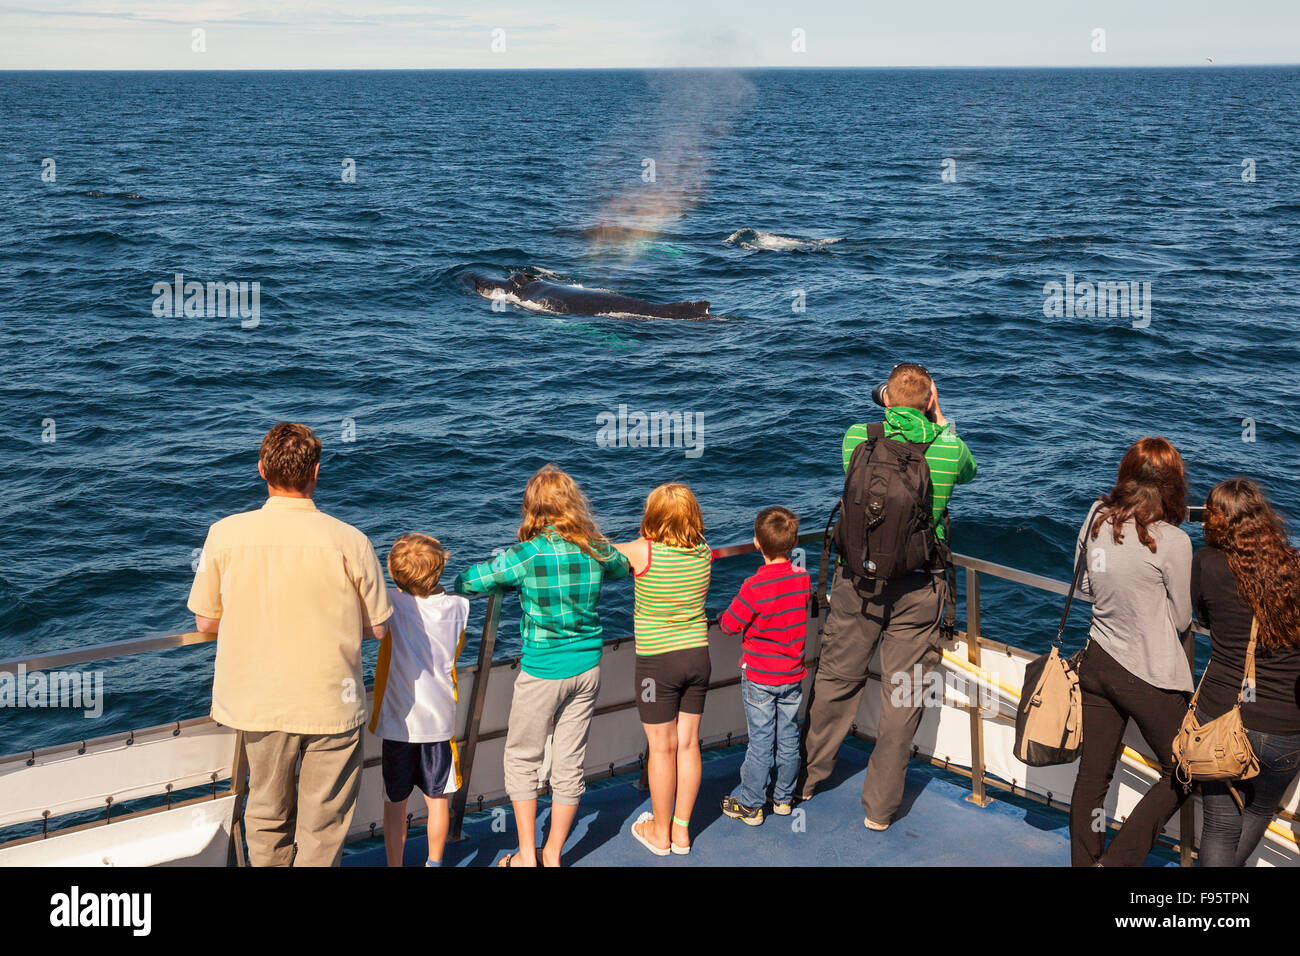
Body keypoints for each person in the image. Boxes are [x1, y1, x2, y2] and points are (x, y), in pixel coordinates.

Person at [187, 422, 393, 867]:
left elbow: (206, 619)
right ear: (316, 472)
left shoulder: (224, 534)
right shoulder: (351, 541)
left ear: (261, 469)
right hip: (331, 702)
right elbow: (377, 628)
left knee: (264, 811)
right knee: (324, 823)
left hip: (258, 701)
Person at [800, 362, 977, 831]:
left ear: (887, 398)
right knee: (904, 697)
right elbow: (970, 472)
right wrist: (939, 419)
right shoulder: (947, 447)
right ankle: (878, 812)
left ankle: (807, 780)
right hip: (919, 587)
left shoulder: (856, 436)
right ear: (930, 399)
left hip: (855, 581)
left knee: (836, 681)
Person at [453, 465, 630, 867]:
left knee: (523, 759)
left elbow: (469, 581)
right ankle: (553, 854)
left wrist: (503, 582)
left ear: (532, 508)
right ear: (572, 504)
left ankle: (527, 855)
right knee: (569, 763)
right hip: (587, 667)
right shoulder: (593, 547)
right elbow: (622, 566)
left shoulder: (527, 554)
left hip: (543, 670)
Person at [1067, 437, 1193, 867]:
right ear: (1174, 485)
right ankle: (1120, 862)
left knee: (1092, 777)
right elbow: (1180, 620)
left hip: (1097, 660)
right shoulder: (1174, 541)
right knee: (1186, 769)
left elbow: (1084, 586)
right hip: (1148, 676)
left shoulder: (1095, 517)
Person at [1193, 478, 1300, 866]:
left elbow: (1202, 616)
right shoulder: (1295, 568)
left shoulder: (1206, 562)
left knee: (1220, 824)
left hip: (1222, 713)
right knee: (1257, 812)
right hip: (1284, 727)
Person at [616, 483, 713, 856]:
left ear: (652, 517)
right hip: (698, 657)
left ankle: (659, 832)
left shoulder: (645, 551)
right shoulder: (703, 552)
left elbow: (599, 551)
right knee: (688, 744)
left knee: (661, 748)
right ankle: (681, 832)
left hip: (657, 665)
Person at [369, 533, 469, 868]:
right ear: (439, 569)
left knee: (394, 803)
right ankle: (434, 862)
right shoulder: (459, 607)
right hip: (439, 724)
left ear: (394, 573)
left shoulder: (391, 606)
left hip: (398, 724)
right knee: (438, 801)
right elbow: (459, 646)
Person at [719, 506, 811, 826]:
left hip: (759, 676)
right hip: (792, 675)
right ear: (793, 541)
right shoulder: (802, 579)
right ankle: (784, 798)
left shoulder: (753, 586)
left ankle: (752, 805)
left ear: (757, 544)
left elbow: (730, 624)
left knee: (760, 741)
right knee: (788, 737)